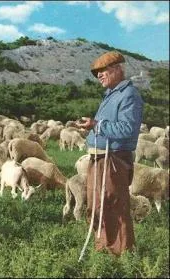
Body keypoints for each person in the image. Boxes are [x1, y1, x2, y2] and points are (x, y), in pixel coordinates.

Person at [76, 51, 143, 256]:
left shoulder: (129, 95)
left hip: (113, 159)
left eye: (102, 71)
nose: (99, 76)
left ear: (117, 69)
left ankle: (122, 254)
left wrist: (97, 124)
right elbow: (108, 126)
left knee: (114, 206)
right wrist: (93, 127)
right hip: (100, 157)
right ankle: (104, 248)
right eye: (96, 73)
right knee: (98, 206)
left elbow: (127, 129)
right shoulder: (111, 95)